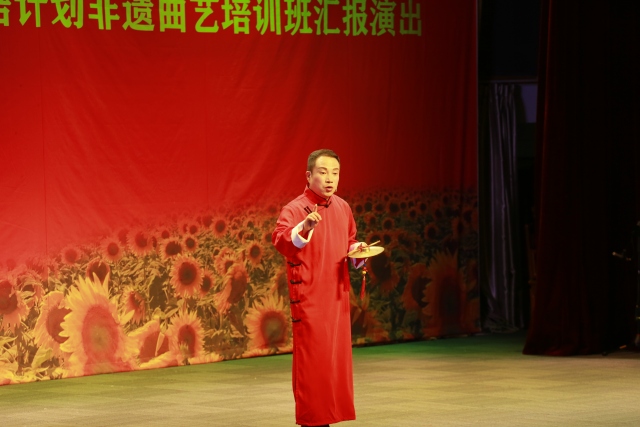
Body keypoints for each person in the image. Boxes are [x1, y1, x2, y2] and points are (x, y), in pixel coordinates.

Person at [272, 149, 366, 427]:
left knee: (334, 364)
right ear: (308, 175)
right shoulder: (294, 209)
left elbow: (349, 243)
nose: (330, 179)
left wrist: (359, 251)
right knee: (313, 366)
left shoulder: (343, 207)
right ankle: (314, 422)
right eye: (323, 172)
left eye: (335, 173)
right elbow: (281, 241)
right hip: (310, 298)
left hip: (337, 297)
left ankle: (329, 418)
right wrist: (304, 226)